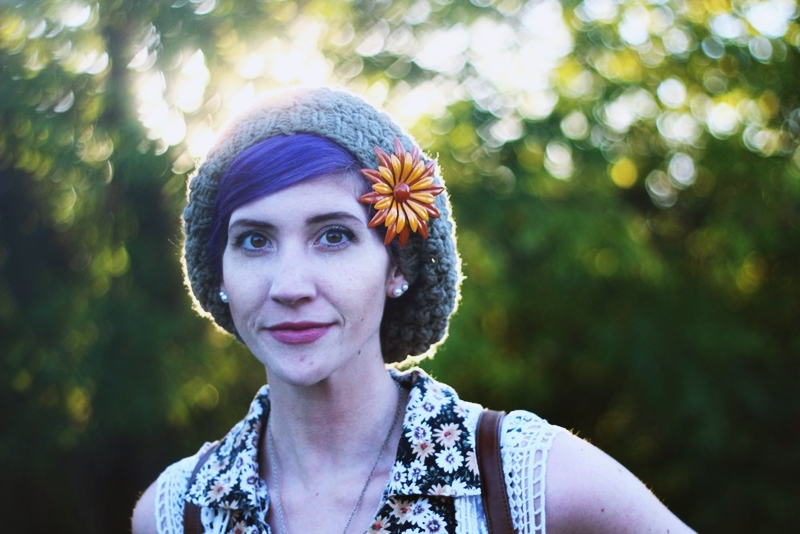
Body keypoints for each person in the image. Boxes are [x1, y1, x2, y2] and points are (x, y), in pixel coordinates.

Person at [132, 86, 695, 534]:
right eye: (254, 240)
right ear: (221, 274)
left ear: (398, 267)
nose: (290, 285)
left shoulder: (523, 478)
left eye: (333, 235)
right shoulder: (175, 511)